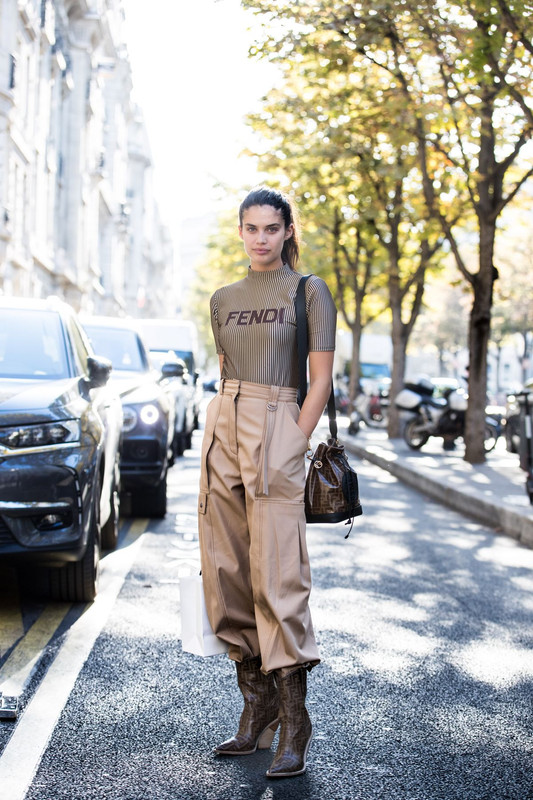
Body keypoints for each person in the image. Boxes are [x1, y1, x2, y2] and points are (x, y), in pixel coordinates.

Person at [198, 185, 337, 779]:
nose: (260, 238)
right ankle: (256, 711)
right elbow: (225, 372)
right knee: (226, 570)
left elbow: (320, 378)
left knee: (278, 574)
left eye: (271, 228)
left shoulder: (309, 291)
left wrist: (294, 441)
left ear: (287, 231)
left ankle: (295, 723)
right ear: (240, 232)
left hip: (278, 421)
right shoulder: (222, 299)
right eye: (251, 228)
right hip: (224, 424)